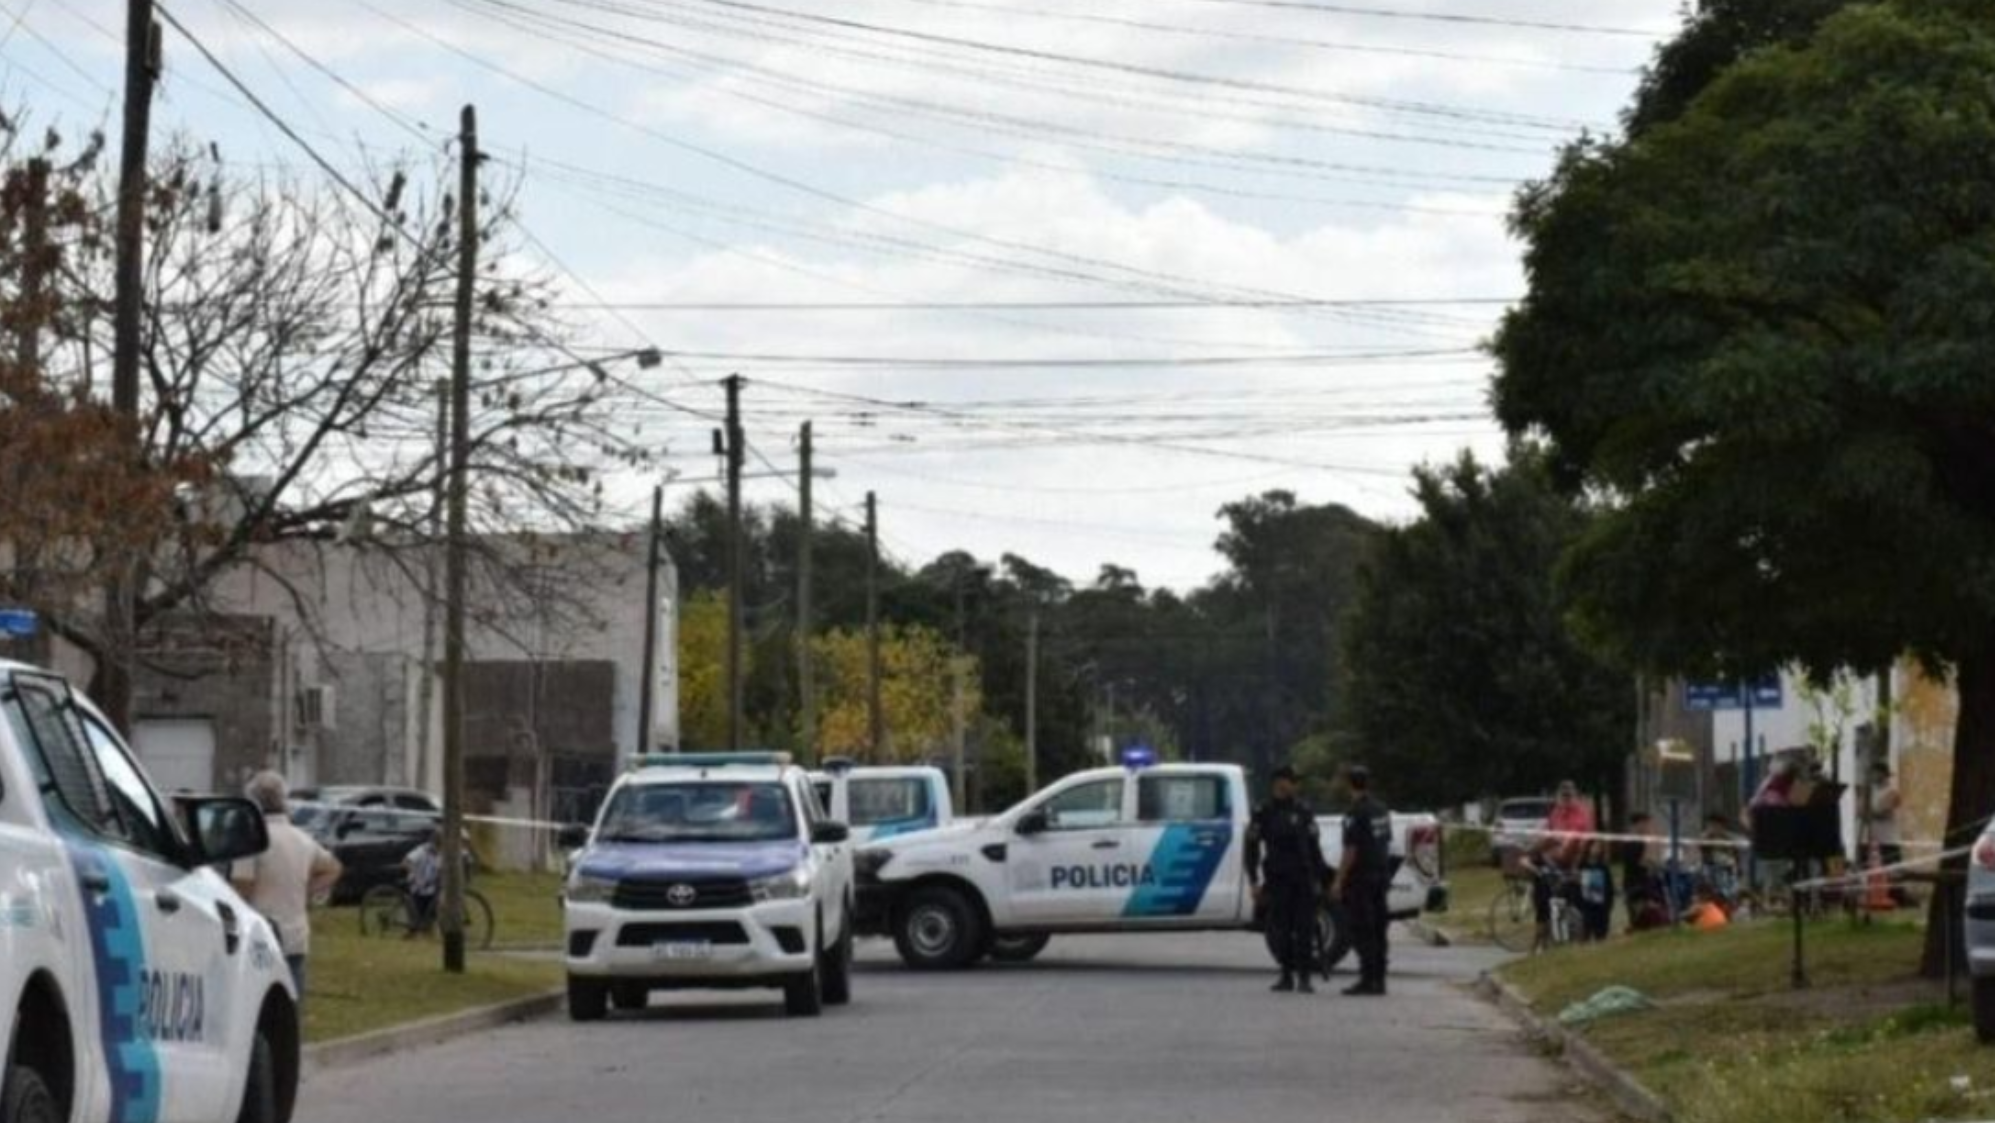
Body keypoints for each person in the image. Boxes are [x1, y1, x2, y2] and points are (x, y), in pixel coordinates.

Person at [233, 771, 343, 1002]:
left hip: (260, 937)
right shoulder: (301, 839)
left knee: (258, 1005)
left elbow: (243, 887)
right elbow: (334, 868)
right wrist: (307, 890)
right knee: (291, 1006)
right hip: (296, 936)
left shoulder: (252, 839)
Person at [1246, 765, 1326, 994]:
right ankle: (1285, 976)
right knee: (1281, 930)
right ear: (1280, 783)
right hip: (1278, 880)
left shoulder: (1304, 810)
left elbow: (1314, 847)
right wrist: (1253, 881)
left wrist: (1319, 879)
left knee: (1305, 928)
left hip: (1303, 878)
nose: (1296, 785)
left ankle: (1304, 978)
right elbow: (1251, 848)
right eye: (1292, 781)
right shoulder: (1263, 812)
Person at [1334, 765, 1393, 997]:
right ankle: (1380, 979)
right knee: (1379, 928)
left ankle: (1367, 979)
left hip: (1362, 879)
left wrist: (1338, 880)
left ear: (1350, 784)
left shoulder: (1354, 813)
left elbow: (1351, 850)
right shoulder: (1381, 809)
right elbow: (1385, 842)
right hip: (1380, 876)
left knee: (1362, 929)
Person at [1527, 781, 1595, 947]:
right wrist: (1533, 848)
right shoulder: (1556, 812)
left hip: (1577, 858)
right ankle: (1544, 933)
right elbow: (1549, 834)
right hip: (1556, 858)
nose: (1565, 799)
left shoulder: (1580, 813)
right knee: (1542, 889)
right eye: (1562, 795)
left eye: (1568, 795)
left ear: (1575, 796)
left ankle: (1582, 935)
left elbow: (1578, 838)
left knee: (1580, 899)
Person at [402, 827, 443, 938]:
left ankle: (429, 931)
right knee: (416, 920)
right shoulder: (421, 851)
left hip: (430, 888)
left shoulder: (441, 855)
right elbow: (405, 862)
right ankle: (413, 931)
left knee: (431, 914)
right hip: (417, 888)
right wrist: (415, 875)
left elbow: (440, 870)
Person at [1575, 838, 1615, 942]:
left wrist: (1609, 904)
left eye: (1599, 847)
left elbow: (1609, 887)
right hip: (1587, 907)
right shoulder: (1582, 866)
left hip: (1601, 907)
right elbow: (1577, 882)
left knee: (1601, 935)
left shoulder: (1603, 867)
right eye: (1595, 846)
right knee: (1585, 934)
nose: (1597, 849)